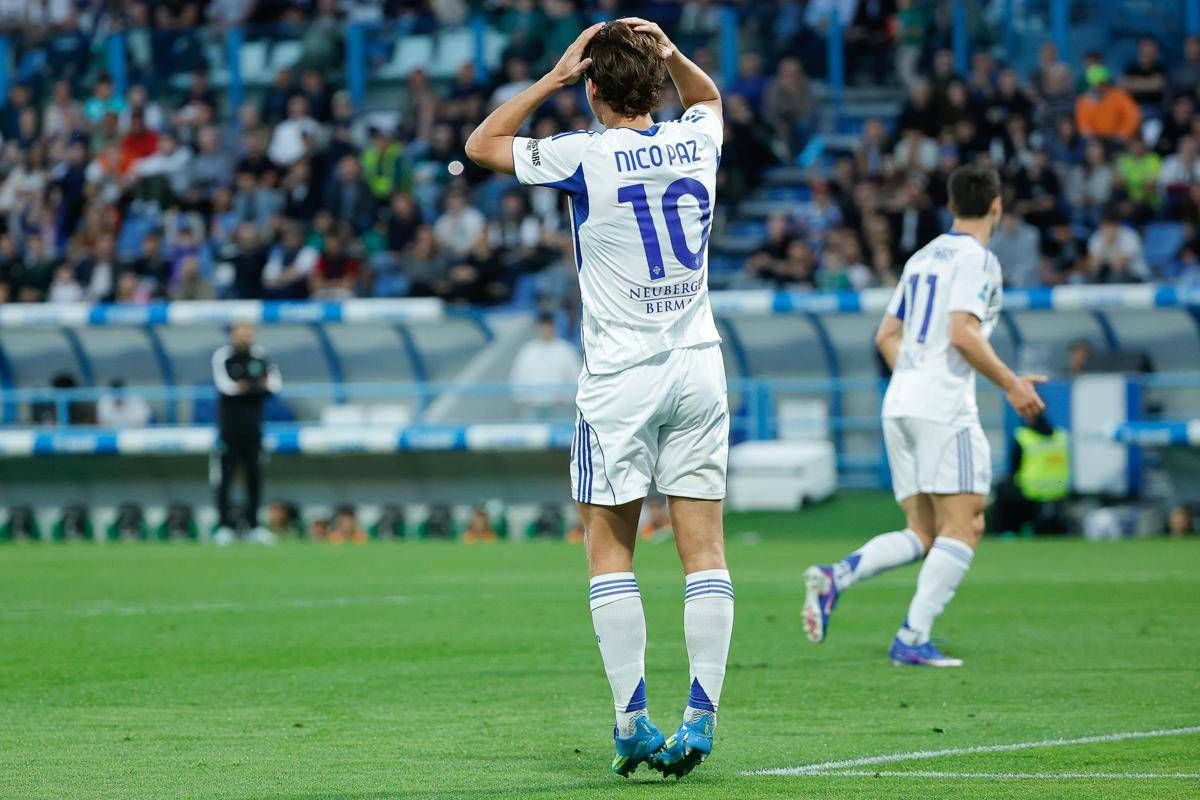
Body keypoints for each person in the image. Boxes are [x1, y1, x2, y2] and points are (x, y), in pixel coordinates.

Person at [466, 19, 732, 779]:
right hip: (699, 365)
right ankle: (701, 717)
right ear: (655, 84)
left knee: (609, 551)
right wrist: (672, 53)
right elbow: (709, 98)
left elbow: (482, 145)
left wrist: (551, 78)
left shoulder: (584, 155)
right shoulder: (696, 139)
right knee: (705, 553)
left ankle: (631, 720)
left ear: (591, 91)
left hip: (620, 378)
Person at [801, 166, 1047, 667]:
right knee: (967, 523)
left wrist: (914, 377)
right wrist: (1011, 384)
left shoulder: (922, 257)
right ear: (996, 206)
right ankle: (913, 637)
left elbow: (886, 336)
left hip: (901, 401)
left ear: (951, 205)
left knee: (924, 532)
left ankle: (836, 577)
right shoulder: (979, 259)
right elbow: (962, 332)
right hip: (942, 406)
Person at [211, 322, 282, 546]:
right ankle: (224, 526)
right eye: (240, 334)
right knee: (226, 477)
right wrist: (256, 386)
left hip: (254, 429)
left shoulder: (261, 355)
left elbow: (275, 385)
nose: (245, 337)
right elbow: (227, 387)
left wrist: (247, 386)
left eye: (248, 333)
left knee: (254, 476)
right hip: (229, 430)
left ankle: (253, 526)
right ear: (233, 335)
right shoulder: (223, 356)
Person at [991, 411, 1071, 536]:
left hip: (1032, 492)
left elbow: (1014, 468)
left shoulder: (1023, 437)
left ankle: (1008, 531)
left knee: (1003, 488)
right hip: (1059, 491)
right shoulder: (1061, 436)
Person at [508, 312, 583, 420]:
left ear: (554, 327)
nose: (546, 329)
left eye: (548, 326)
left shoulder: (566, 350)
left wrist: (566, 397)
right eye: (543, 326)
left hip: (560, 408)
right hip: (532, 408)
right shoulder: (528, 351)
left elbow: (578, 378)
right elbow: (516, 380)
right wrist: (525, 398)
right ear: (538, 327)